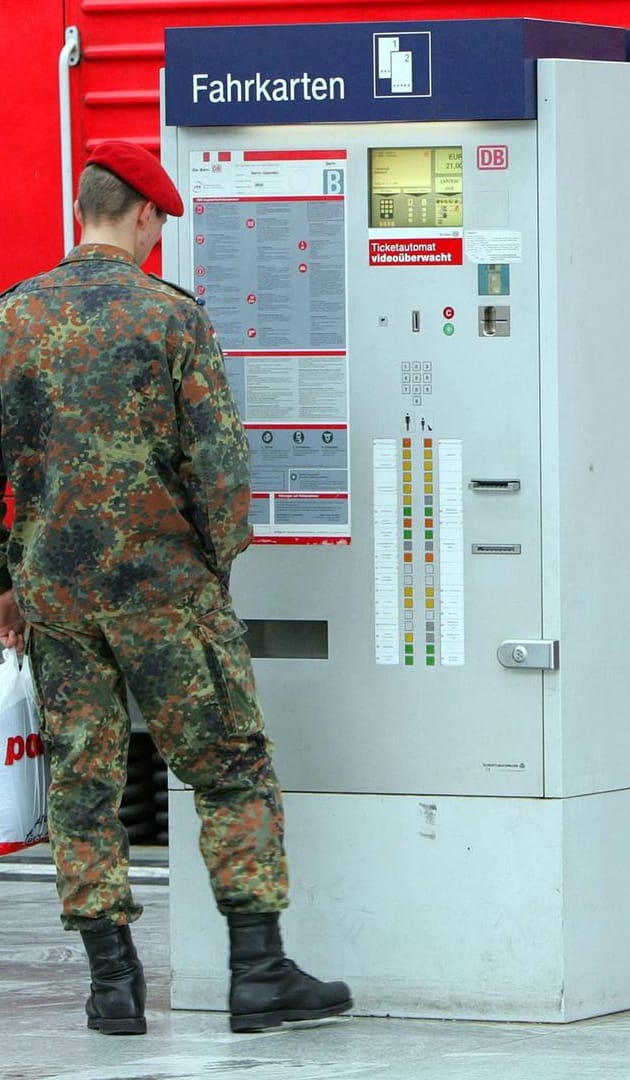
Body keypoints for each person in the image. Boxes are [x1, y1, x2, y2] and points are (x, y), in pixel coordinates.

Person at [0, 141, 351, 1035]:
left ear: (84, 210)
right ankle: (259, 971)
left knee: (84, 782)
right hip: (163, 588)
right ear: (146, 215)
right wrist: (214, 568)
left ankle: (111, 987)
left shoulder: (13, 316)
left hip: (55, 594)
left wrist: (7, 579)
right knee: (229, 764)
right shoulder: (171, 318)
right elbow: (222, 467)